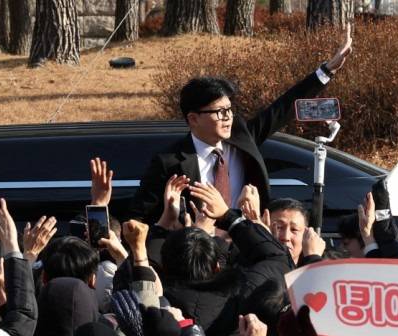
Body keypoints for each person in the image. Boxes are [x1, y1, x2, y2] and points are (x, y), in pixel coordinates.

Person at [130, 29, 354, 223]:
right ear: (193, 119)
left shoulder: (240, 139)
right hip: (199, 255)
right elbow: (140, 217)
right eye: (219, 112)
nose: (228, 117)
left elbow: (282, 109)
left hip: (243, 248)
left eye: (229, 110)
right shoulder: (169, 162)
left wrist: (326, 71)